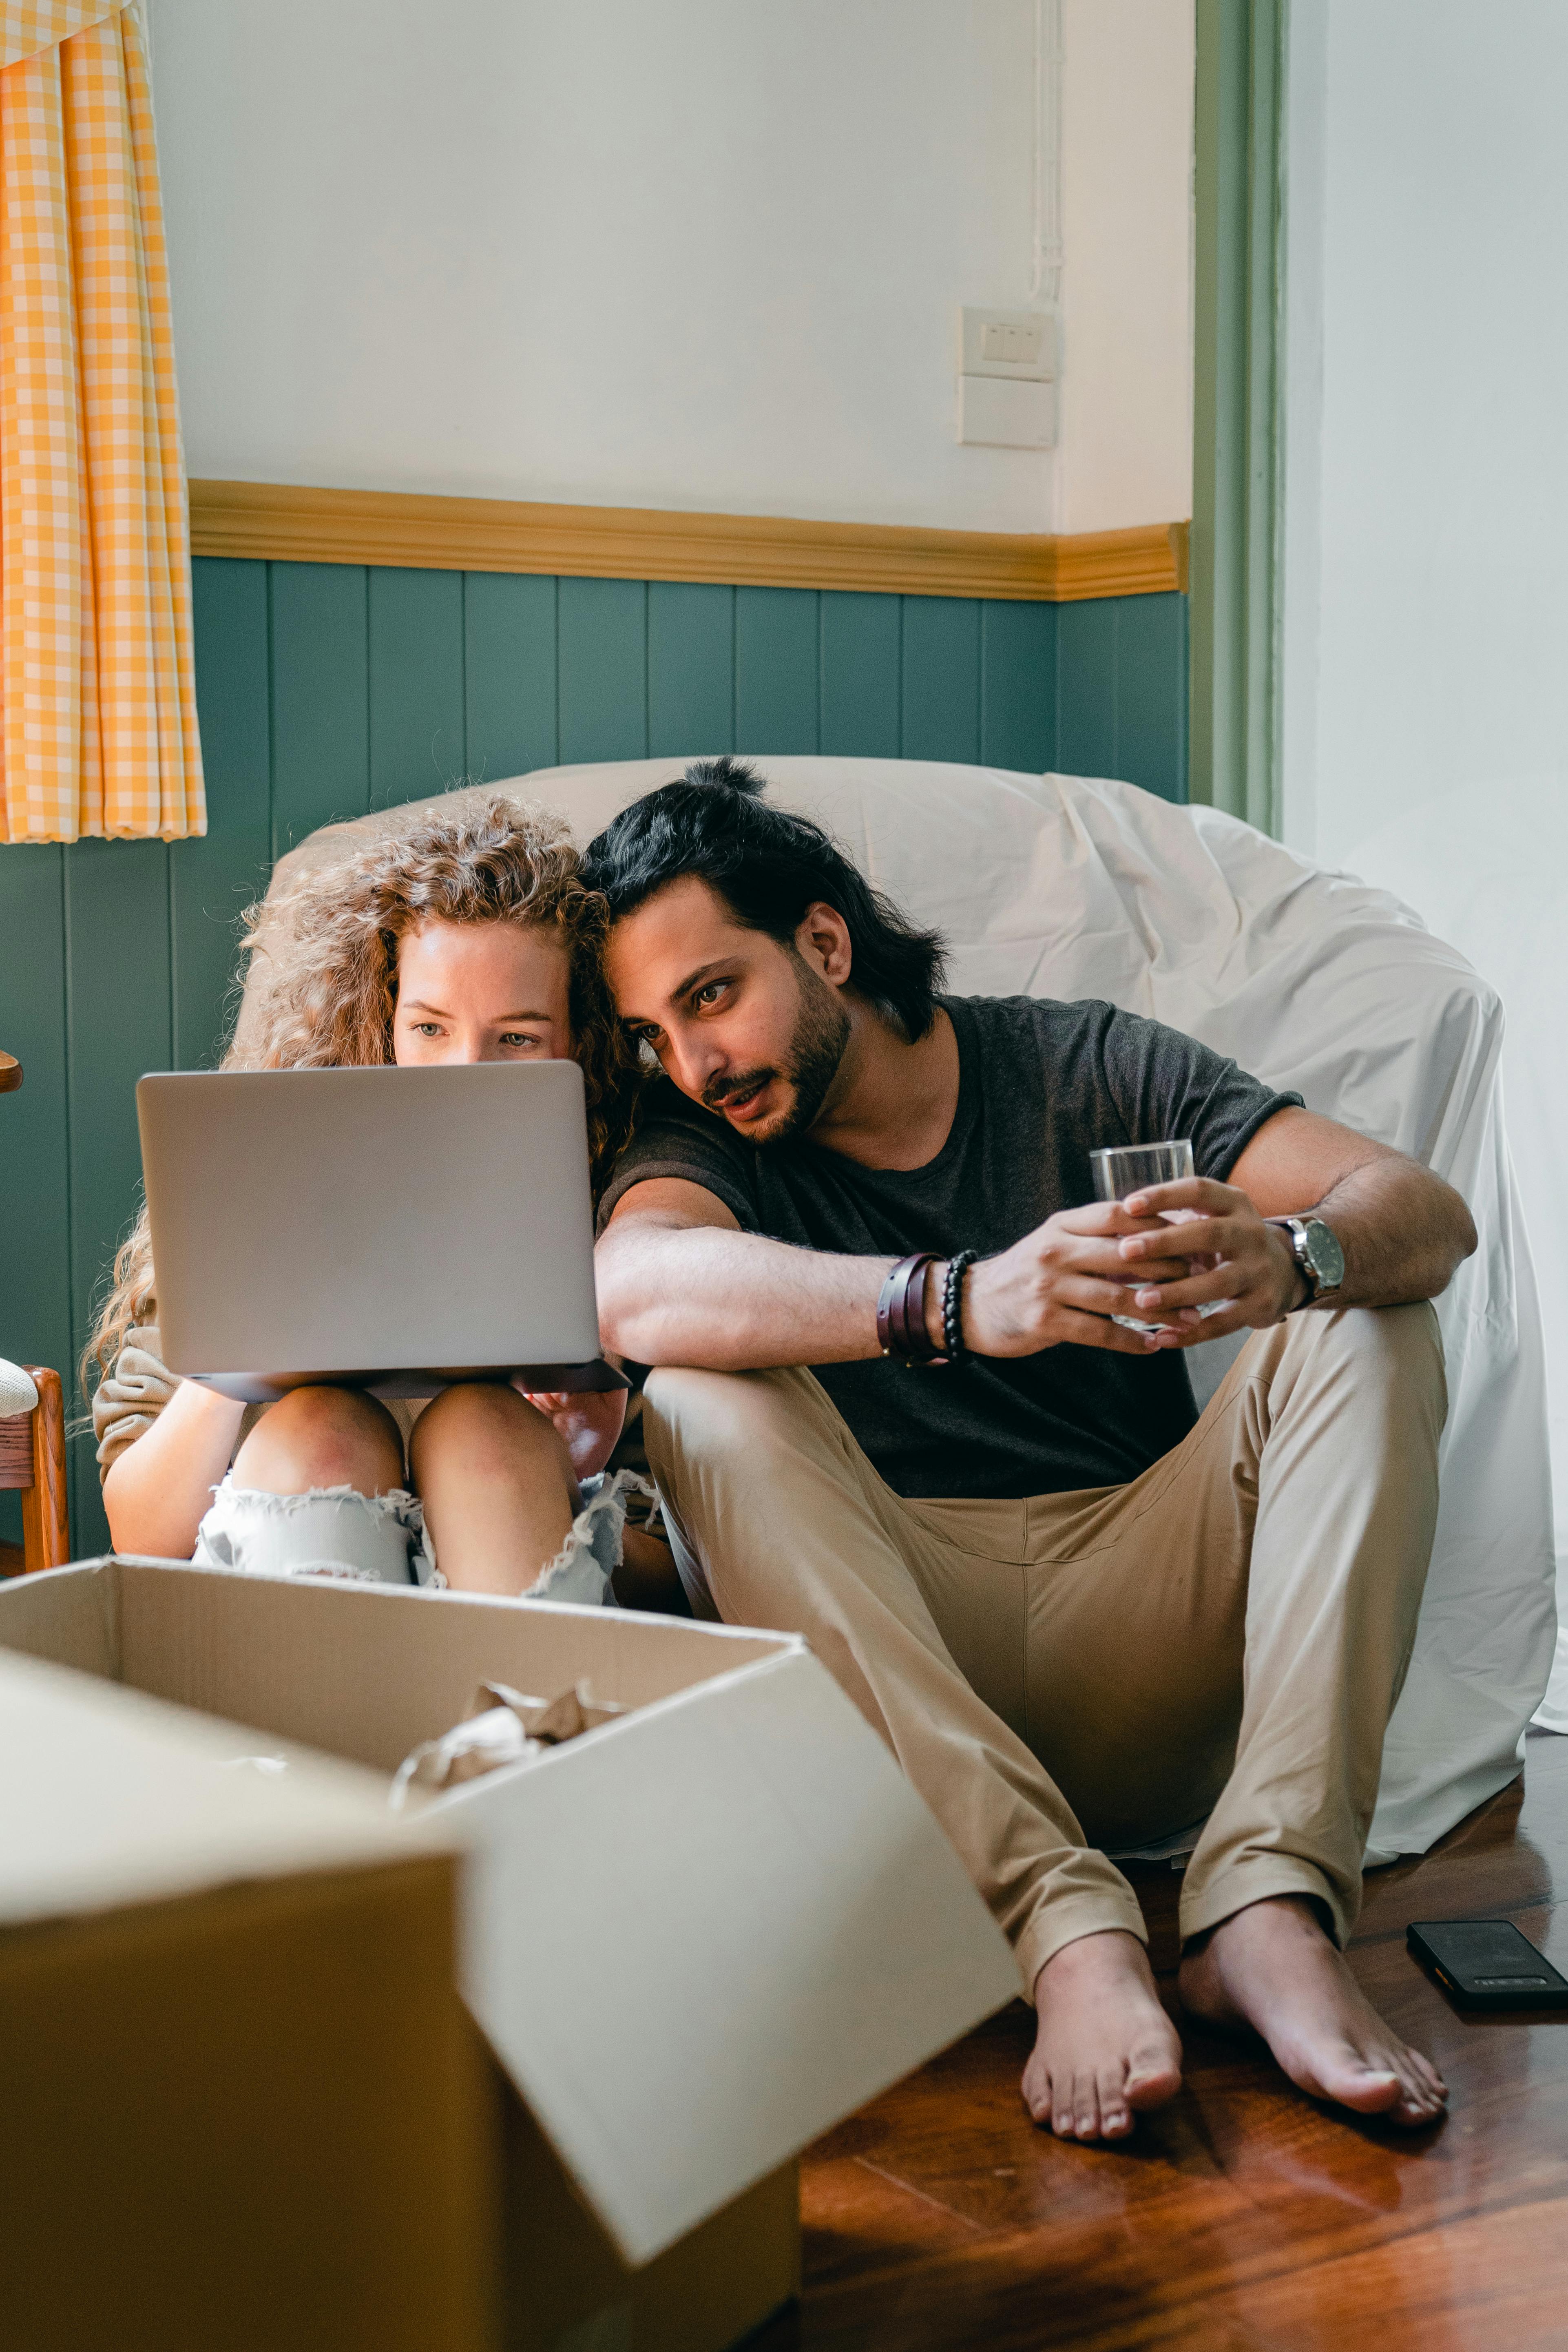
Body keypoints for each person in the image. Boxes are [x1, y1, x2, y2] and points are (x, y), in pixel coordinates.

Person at [583, 758, 1477, 2142]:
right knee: (696, 1387)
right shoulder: (701, 1129)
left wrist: (1293, 1252)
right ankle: (1061, 1928)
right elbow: (634, 1289)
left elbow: (1418, 1205)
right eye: (654, 1030)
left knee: (1368, 1313)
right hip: (901, 1651)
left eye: (710, 993)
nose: (696, 1058)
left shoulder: (1080, 1064)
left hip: (1147, 1623)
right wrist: (957, 1297)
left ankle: (1268, 1903)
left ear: (822, 941)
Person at [90, 796, 668, 1603]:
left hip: (524, 1587)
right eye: (431, 1028)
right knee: (320, 1426)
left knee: (486, 1432)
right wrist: (238, 1349)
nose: (466, 1077)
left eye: (517, 1040)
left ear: (581, 1038)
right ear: (385, 1015)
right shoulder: (271, 1155)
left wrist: (578, 1464)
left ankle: (508, 1730)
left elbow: (693, 1571)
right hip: (292, 1573)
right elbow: (140, 1538)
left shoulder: (635, 1195)